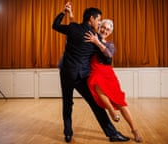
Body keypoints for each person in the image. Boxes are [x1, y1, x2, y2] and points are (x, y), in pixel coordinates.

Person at [52, 2, 130, 143]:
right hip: (82, 76)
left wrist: (64, 12)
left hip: (66, 73)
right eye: (99, 20)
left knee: (67, 103)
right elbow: (107, 60)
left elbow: (55, 25)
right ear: (92, 19)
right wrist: (98, 44)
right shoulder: (96, 38)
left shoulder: (73, 28)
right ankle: (112, 134)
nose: (99, 23)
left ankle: (68, 134)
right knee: (96, 106)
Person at [84, 19, 143, 143]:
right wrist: (71, 15)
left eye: (108, 29)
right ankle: (110, 109)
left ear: (110, 32)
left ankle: (135, 130)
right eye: (103, 27)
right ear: (99, 27)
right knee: (95, 80)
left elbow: (109, 54)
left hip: (108, 74)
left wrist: (97, 42)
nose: (105, 30)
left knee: (121, 103)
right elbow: (80, 30)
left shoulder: (110, 44)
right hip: (95, 71)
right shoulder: (92, 37)